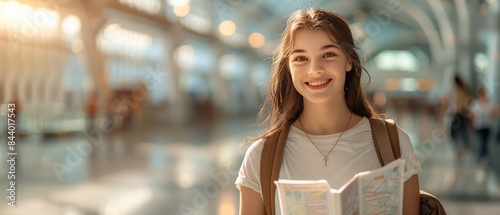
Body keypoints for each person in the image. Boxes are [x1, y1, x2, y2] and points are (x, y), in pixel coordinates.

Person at [235, 8, 422, 215]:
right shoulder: (261, 157)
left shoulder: (394, 143)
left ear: (349, 61)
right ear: (288, 67)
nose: (315, 69)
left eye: (329, 54)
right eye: (300, 58)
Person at [470, 87, 499, 164]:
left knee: (486, 141)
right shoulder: (475, 104)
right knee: (482, 141)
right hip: (479, 127)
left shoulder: (490, 104)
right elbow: (472, 116)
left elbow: (494, 113)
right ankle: (482, 157)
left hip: (488, 126)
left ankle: (485, 156)